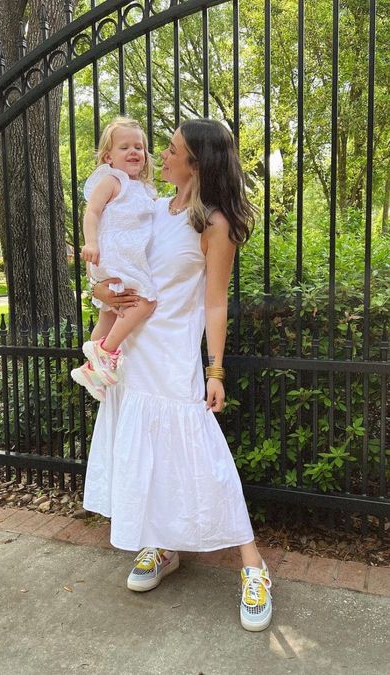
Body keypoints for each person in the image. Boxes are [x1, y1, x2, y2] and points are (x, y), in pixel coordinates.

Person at [83, 118, 273, 632]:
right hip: (131, 353)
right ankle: (162, 548)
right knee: (147, 451)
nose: (158, 157)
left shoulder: (212, 222)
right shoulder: (147, 206)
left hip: (171, 355)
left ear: (197, 163)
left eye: (171, 150)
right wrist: (100, 292)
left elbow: (214, 303)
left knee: (202, 453)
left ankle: (253, 567)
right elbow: (118, 265)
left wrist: (215, 369)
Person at [71, 117, 157, 401]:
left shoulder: (145, 190)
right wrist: (91, 242)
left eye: (139, 147)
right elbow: (92, 212)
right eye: (125, 147)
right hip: (114, 256)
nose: (134, 152)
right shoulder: (112, 180)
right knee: (145, 301)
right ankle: (105, 352)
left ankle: (94, 372)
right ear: (109, 156)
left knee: (108, 314)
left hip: (126, 258)